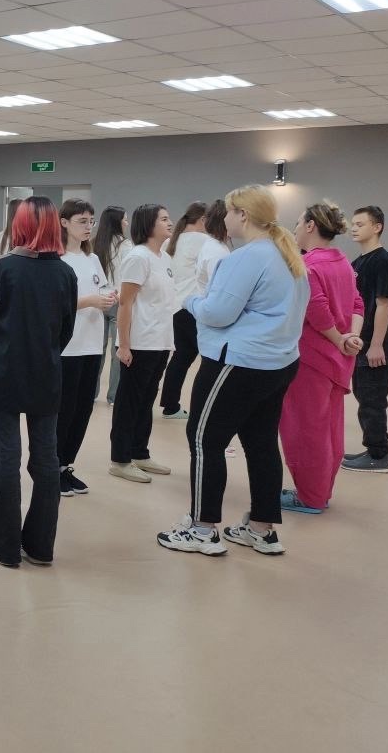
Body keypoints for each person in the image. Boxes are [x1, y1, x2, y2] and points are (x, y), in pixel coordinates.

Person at [157, 185, 308, 557]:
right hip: (278, 363)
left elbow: (217, 313)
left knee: (204, 439)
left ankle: (202, 529)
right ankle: (261, 529)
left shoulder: (247, 257)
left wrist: (191, 300)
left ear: (243, 215)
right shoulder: (287, 253)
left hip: (238, 363)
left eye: (227, 211)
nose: (223, 218)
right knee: (261, 443)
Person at [0, 197, 77, 568]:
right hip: (46, 373)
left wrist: (1, 354)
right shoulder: (65, 274)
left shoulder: (2, 267)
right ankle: (40, 545)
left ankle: (6, 547)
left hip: (4, 370)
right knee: (46, 458)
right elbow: (65, 330)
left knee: (7, 456)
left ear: (18, 225)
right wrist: (45, 353)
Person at [280, 202, 364, 514]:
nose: (295, 228)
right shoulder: (342, 263)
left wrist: (339, 338)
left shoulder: (309, 266)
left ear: (311, 225)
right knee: (328, 428)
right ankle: (318, 491)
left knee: (305, 430)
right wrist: (350, 337)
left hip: (312, 360)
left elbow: (316, 311)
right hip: (338, 361)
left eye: (298, 222)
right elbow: (357, 303)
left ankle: (310, 497)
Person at [108, 203, 176, 483]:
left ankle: (139, 452)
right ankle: (120, 459)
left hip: (160, 342)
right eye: (164, 219)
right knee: (129, 402)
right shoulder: (137, 257)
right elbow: (125, 303)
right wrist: (124, 344)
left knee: (146, 400)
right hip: (139, 342)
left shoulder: (164, 258)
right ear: (148, 224)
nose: (170, 223)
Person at [56, 199, 116, 497]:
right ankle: (52, 468)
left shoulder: (91, 259)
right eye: (82, 221)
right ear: (64, 222)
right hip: (68, 347)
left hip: (92, 344)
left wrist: (108, 296)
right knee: (64, 411)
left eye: (91, 221)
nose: (88, 226)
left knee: (83, 410)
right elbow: (56, 304)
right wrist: (90, 301)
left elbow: (102, 288)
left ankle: (66, 465)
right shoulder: (57, 259)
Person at [343, 205, 388, 473]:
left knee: (372, 398)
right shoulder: (359, 262)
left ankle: (379, 455)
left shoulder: (383, 261)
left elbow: (384, 304)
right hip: (362, 340)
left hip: (376, 341)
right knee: (363, 394)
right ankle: (372, 448)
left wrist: (377, 345)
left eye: (360, 224)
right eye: (353, 224)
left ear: (377, 227)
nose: (354, 228)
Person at [159, 201, 209, 420]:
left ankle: (170, 405)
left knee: (182, 356)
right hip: (192, 307)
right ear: (203, 220)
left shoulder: (170, 241)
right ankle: (200, 409)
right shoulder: (205, 242)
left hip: (175, 307)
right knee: (208, 360)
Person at [94, 206, 130, 406]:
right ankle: (114, 396)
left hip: (97, 301)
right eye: (124, 219)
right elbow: (128, 276)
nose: (127, 223)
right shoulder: (125, 245)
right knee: (117, 350)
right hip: (117, 299)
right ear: (117, 222)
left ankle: (90, 392)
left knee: (96, 348)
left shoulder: (93, 243)